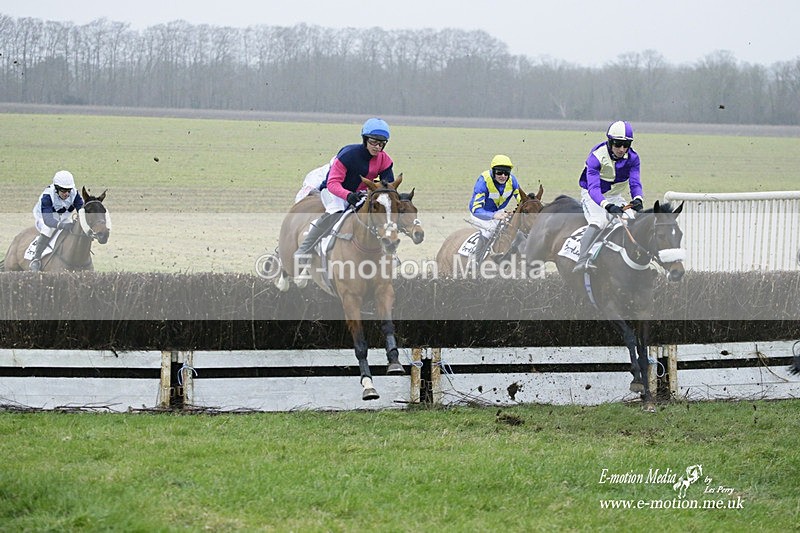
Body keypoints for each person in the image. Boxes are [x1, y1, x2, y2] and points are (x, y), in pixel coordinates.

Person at [294, 118, 395, 275]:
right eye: (374, 142)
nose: (377, 147)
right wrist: (347, 196)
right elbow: (333, 183)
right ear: (365, 139)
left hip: (359, 193)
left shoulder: (385, 160)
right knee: (336, 212)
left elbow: (387, 187)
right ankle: (304, 249)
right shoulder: (348, 155)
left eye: (382, 144)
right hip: (333, 191)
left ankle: (390, 253)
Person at [572, 120, 645, 273]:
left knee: (632, 220)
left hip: (615, 196)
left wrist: (638, 199)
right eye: (618, 144)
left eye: (626, 145)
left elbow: (635, 183)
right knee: (600, 221)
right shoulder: (596, 157)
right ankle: (582, 259)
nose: (622, 149)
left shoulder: (633, 158)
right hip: (592, 195)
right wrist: (607, 205)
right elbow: (593, 188)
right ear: (610, 142)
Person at [467, 154, 522, 263]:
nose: (503, 176)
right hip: (480, 214)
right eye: (499, 173)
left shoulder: (512, 181)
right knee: (490, 230)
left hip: (498, 212)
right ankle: (475, 262)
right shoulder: (483, 182)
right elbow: (476, 209)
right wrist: (493, 215)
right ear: (493, 171)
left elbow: (522, 200)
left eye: (506, 173)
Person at [30, 170, 85, 272]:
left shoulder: (75, 194)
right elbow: (48, 220)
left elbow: (81, 210)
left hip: (63, 217)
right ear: (56, 188)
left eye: (68, 190)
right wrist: (62, 225)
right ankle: (36, 259)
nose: (66, 194)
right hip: (43, 218)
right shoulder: (47, 196)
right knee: (48, 230)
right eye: (63, 191)